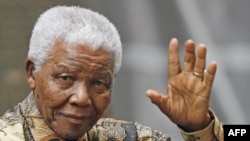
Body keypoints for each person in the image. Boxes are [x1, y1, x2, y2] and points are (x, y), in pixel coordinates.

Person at [0, 6, 224, 141]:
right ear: (32, 73)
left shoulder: (124, 136)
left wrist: (199, 128)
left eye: (98, 83)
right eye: (66, 78)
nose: (82, 98)